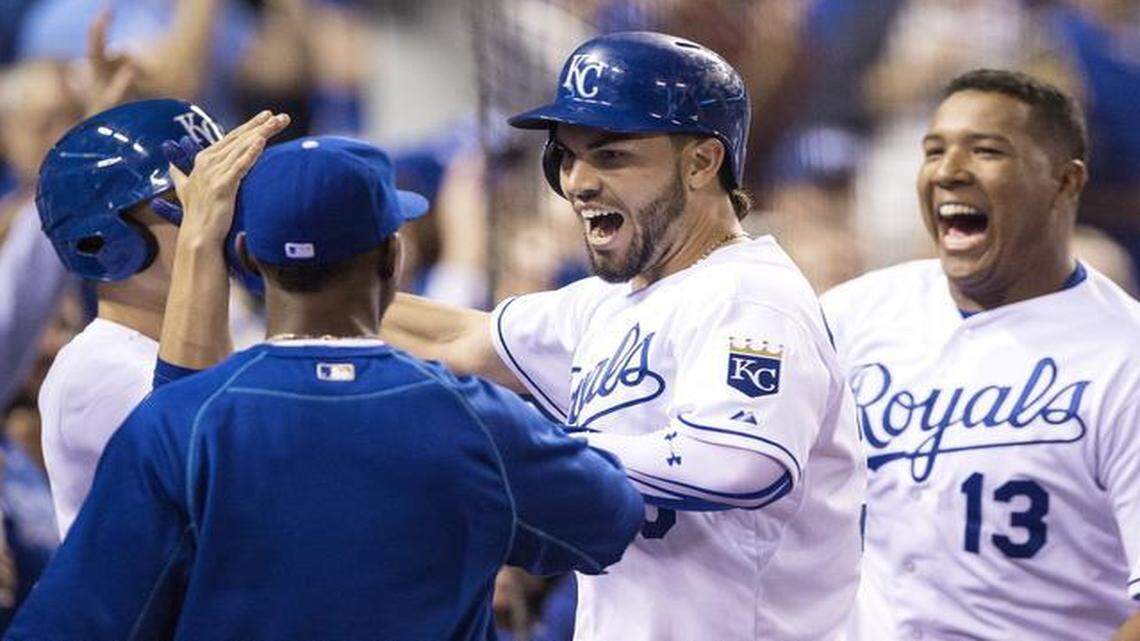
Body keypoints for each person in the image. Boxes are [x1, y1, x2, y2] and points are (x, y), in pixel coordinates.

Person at [4, 136, 644, 641]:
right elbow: (609, 518)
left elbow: (69, 625)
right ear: (394, 256)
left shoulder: (179, 421)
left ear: (249, 258)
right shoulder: (472, 418)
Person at [381, 31, 866, 641]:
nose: (578, 182)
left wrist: (532, 448)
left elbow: (741, 465)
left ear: (701, 162)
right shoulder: (613, 303)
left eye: (610, 155)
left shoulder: (749, 294)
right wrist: (292, 272)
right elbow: (455, 335)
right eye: (567, 156)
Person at [821, 68, 1140, 641]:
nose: (949, 171)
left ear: (1065, 183)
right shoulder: (852, 316)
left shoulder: (1126, 357)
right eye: (934, 150)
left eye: (987, 150)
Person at [34, 99, 287, 537]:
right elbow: (220, 458)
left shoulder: (235, 331)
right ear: (103, 237)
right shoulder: (93, 369)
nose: (222, 214)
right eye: (188, 199)